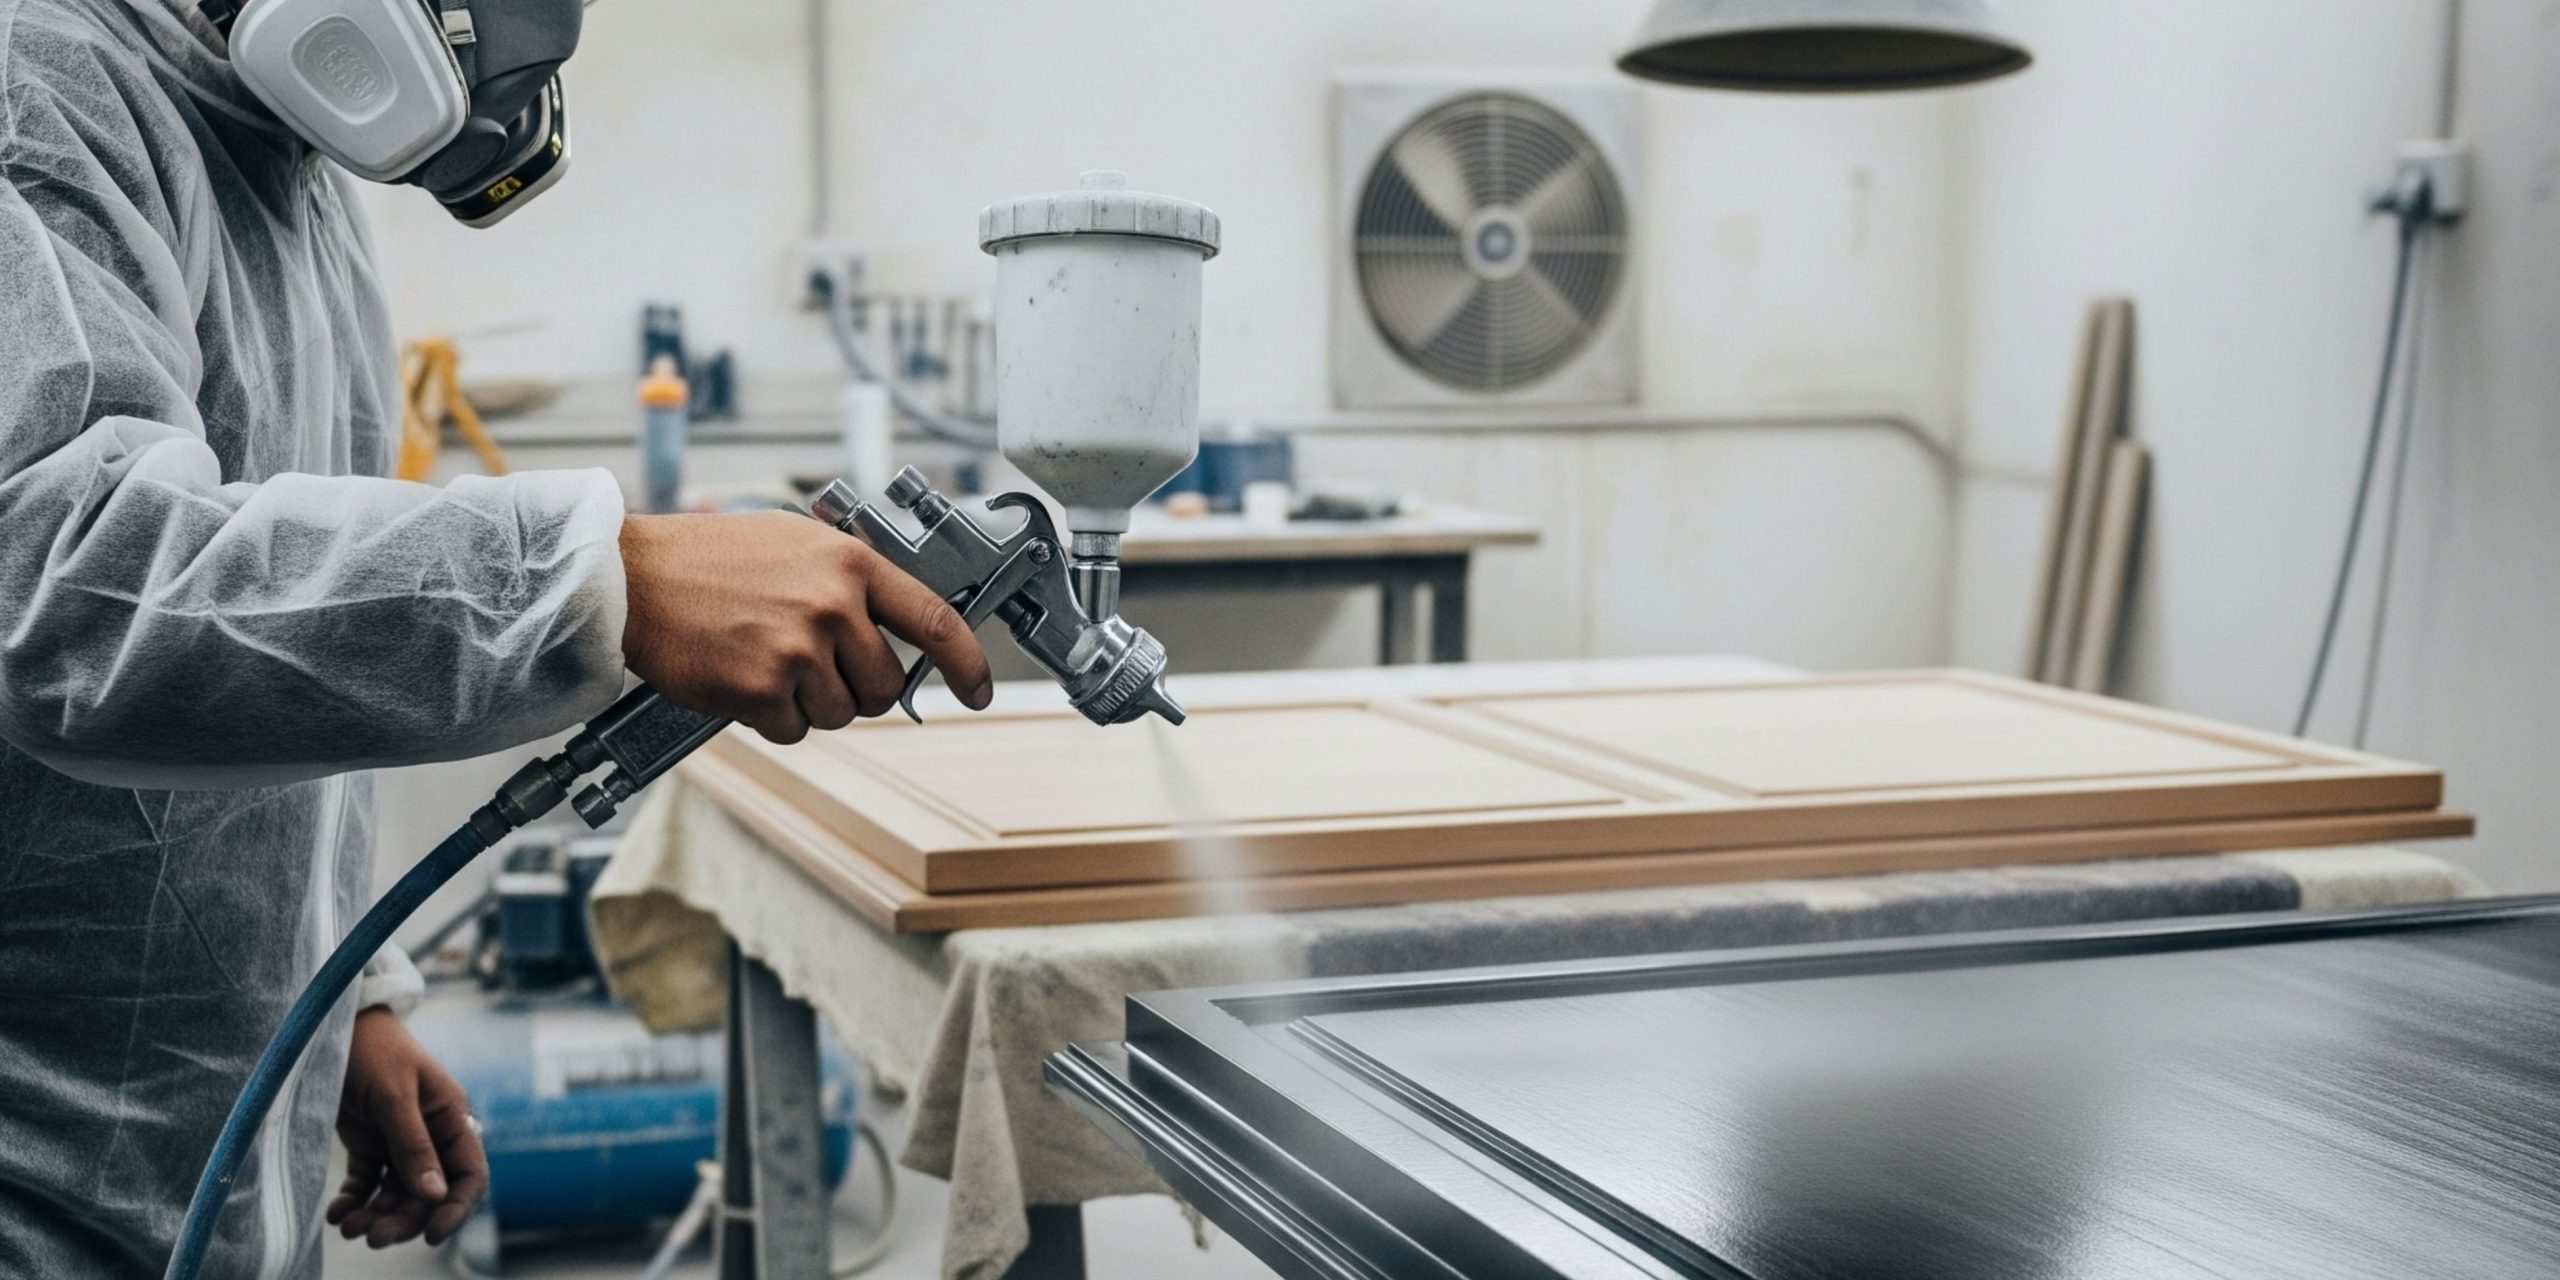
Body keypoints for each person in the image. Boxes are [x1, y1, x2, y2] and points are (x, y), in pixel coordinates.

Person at [0, 1, 995, 1275]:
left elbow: (264, 674)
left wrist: (340, 995)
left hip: (190, 1141)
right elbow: (71, 594)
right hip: (41, 1163)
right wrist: (606, 574)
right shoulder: (39, 84)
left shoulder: (282, 165)